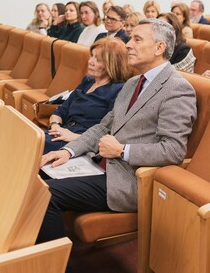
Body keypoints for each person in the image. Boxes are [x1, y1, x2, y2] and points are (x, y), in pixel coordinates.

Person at [36, 18, 197, 245]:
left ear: (159, 48)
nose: (128, 44)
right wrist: (68, 151)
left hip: (126, 179)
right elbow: (103, 126)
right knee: (37, 173)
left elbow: (173, 149)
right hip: (97, 164)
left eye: (137, 39)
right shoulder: (133, 83)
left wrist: (122, 150)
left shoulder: (177, 88)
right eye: (130, 38)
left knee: (44, 195)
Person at [45, 37, 132, 154]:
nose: (90, 61)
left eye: (98, 60)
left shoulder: (119, 90)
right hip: (61, 132)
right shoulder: (88, 80)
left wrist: (75, 137)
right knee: (25, 135)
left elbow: (110, 133)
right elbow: (61, 110)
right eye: (91, 56)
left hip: (80, 143)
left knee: (28, 143)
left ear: (112, 64)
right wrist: (55, 126)